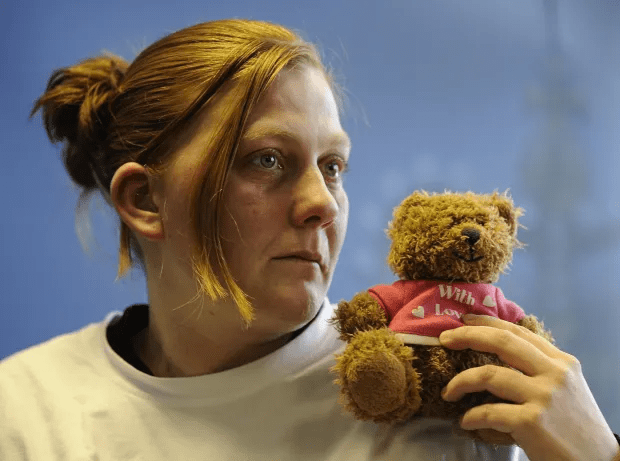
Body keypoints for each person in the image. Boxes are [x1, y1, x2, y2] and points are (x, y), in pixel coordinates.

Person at [0, 18, 617, 461]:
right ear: (144, 200)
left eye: (334, 166)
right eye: (266, 160)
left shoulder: (444, 401)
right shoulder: (23, 411)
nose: (323, 204)